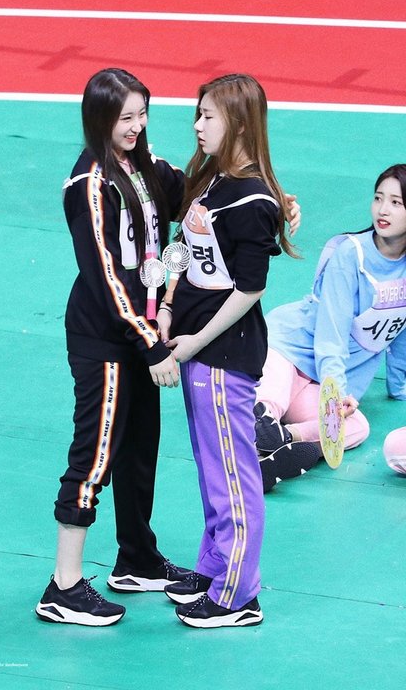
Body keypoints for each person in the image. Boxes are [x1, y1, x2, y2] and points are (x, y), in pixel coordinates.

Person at [35, 68, 192, 627]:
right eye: (126, 117)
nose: (136, 126)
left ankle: (137, 559)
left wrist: (268, 201)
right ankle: (64, 586)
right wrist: (152, 344)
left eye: (142, 114)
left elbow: (196, 193)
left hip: (139, 334)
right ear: (100, 119)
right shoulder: (88, 184)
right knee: (95, 454)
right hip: (105, 339)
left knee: (139, 448)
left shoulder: (146, 166)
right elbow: (105, 277)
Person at [157, 73, 299, 628]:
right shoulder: (213, 178)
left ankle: (239, 595)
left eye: (208, 116)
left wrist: (194, 340)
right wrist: (168, 303)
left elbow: (250, 288)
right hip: (196, 345)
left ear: (238, 123)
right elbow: (185, 249)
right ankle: (216, 567)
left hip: (223, 354)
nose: (197, 125)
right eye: (198, 114)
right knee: (212, 470)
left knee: (233, 475)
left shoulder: (253, 200)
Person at [253, 164, 406, 492]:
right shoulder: (351, 254)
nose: (383, 209)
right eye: (378, 198)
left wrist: (399, 386)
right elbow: (331, 334)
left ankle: (282, 441)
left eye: (396, 202)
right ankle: (264, 431)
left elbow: (401, 331)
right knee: (270, 401)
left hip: (319, 382)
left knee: (357, 427)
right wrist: (337, 392)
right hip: (287, 349)